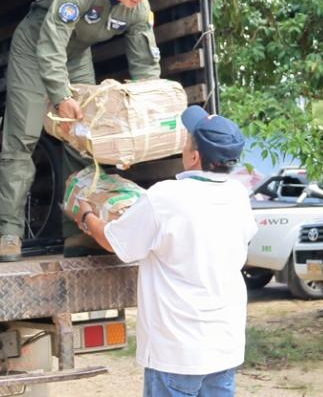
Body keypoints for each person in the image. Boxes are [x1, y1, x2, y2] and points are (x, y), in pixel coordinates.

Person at [0, 0, 165, 262]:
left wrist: (144, 120)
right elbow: (50, 46)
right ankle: (10, 232)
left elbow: (146, 67)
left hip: (76, 56)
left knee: (85, 138)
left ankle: (76, 231)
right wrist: (60, 96)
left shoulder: (138, 7)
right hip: (34, 50)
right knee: (23, 137)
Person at [71, 106, 257, 397]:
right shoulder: (238, 196)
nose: (184, 145)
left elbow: (113, 241)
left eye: (187, 140)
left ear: (195, 157)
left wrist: (85, 216)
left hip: (176, 353)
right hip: (224, 348)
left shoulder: (165, 197)